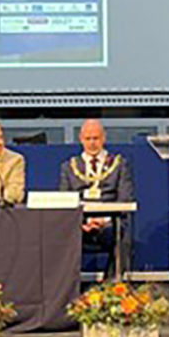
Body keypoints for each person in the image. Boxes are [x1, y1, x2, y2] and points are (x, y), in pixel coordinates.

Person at [59, 119, 136, 277]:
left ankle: (112, 290)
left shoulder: (119, 164)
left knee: (122, 237)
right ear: (80, 139)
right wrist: (83, 222)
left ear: (103, 138)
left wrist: (102, 221)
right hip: (80, 226)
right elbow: (64, 202)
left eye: (96, 138)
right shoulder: (68, 167)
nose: (92, 143)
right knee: (59, 237)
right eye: (88, 139)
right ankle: (69, 291)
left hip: (109, 224)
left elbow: (125, 199)